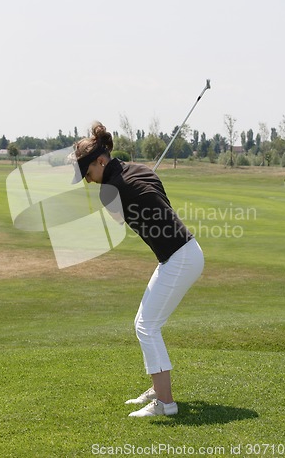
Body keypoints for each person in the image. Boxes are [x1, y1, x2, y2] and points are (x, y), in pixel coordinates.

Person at [73, 122, 204, 417]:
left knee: (147, 327)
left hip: (180, 256)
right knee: (143, 322)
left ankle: (165, 404)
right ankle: (158, 390)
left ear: (101, 161)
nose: (88, 180)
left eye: (88, 172)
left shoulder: (111, 189)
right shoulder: (141, 170)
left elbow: (119, 219)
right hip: (181, 253)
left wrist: (117, 192)